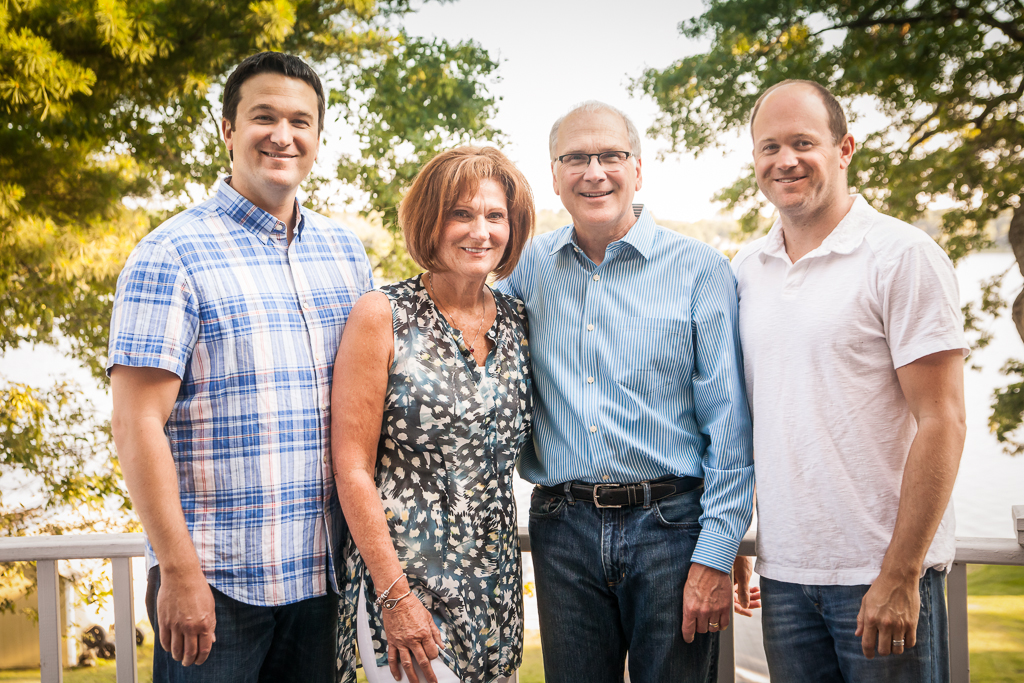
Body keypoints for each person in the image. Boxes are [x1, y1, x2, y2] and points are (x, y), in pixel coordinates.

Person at [108, 52, 373, 683]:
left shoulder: (344, 254)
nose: (283, 135)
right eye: (264, 117)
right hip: (215, 586)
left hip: (321, 580)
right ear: (228, 131)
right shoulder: (169, 254)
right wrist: (176, 571)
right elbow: (136, 422)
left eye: (300, 121)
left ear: (317, 138)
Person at [496, 101, 755, 682]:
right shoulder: (526, 269)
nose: (595, 172)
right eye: (576, 158)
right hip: (562, 529)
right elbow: (464, 331)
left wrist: (718, 552)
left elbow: (729, 427)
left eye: (611, 155)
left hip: (671, 529)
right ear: (555, 175)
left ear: (638, 170)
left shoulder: (701, 269)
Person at [732, 79, 968, 682]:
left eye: (803, 142)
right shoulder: (745, 271)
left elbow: (944, 421)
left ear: (845, 149)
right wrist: (732, 535)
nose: (785, 160)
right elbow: (743, 419)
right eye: (769, 147)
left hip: (878, 576)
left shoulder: (902, 255)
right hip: (784, 577)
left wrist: (901, 571)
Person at [331, 146, 535, 683]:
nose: (480, 231)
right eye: (461, 213)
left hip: (495, 592)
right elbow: (351, 466)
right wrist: (395, 596)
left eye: (495, 216)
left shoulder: (519, 320)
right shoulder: (383, 314)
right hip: (406, 588)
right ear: (431, 222)